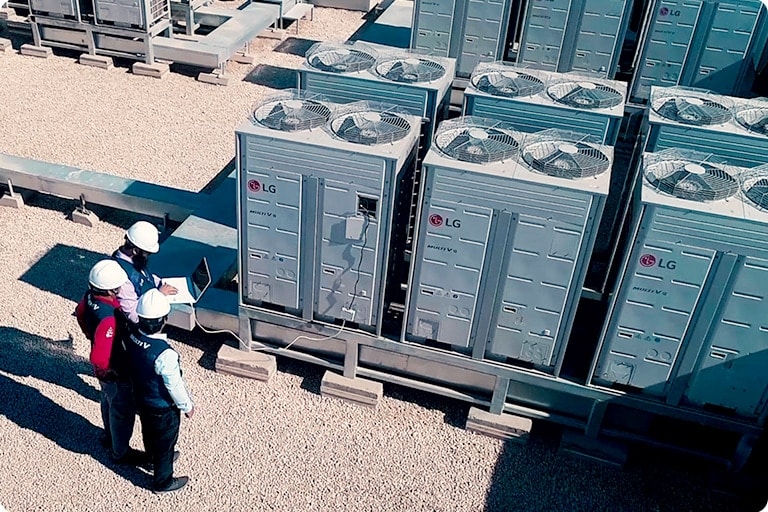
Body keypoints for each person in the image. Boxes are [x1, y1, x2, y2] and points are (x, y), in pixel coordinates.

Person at [125, 289, 194, 494]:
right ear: (164, 319)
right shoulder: (165, 354)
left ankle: (152, 460)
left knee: (149, 433)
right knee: (166, 442)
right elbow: (174, 385)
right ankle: (163, 482)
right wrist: (187, 405)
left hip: (141, 398)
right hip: (162, 406)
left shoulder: (133, 335)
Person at [75, 259, 144, 464]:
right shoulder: (109, 318)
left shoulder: (89, 297)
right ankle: (120, 452)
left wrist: (90, 335)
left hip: (103, 372)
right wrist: (110, 373)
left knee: (106, 400)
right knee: (121, 410)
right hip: (114, 369)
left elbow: (80, 314)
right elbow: (99, 355)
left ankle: (109, 436)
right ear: (111, 290)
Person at [112, 221, 177, 324]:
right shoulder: (122, 277)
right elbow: (133, 316)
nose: (149, 256)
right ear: (135, 251)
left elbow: (143, 275)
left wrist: (162, 282)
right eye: (148, 253)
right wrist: (160, 296)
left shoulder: (133, 260)